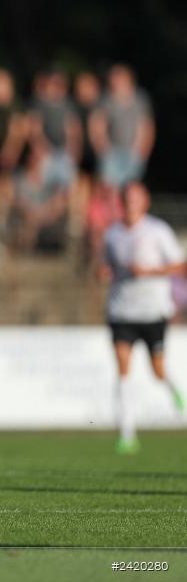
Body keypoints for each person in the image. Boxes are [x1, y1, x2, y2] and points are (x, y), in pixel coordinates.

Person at [101, 182, 185, 454]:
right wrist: (103, 272)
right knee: (123, 369)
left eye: (135, 198)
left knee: (156, 370)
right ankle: (127, 435)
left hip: (152, 311)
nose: (130, 203)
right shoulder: (112, 234)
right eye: (126, 198)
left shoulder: (157, 230)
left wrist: (149, 272)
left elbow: (181, 265)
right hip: (121, 312)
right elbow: (105, 266)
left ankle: (173, 388)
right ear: (121, 202)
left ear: (145, 201)